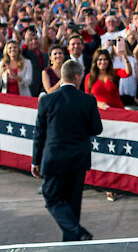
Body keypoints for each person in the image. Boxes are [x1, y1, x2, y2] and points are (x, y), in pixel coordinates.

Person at [31, 58, 103, 242]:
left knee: (52, 198)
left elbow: (39, 133)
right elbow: (97, 129)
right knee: (73, 202)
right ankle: (75, 238)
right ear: (77, 77)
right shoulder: (88, 100)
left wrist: (35, 161)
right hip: (78, 159)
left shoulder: (47, 100)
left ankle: (76, 234)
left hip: (54, 158)